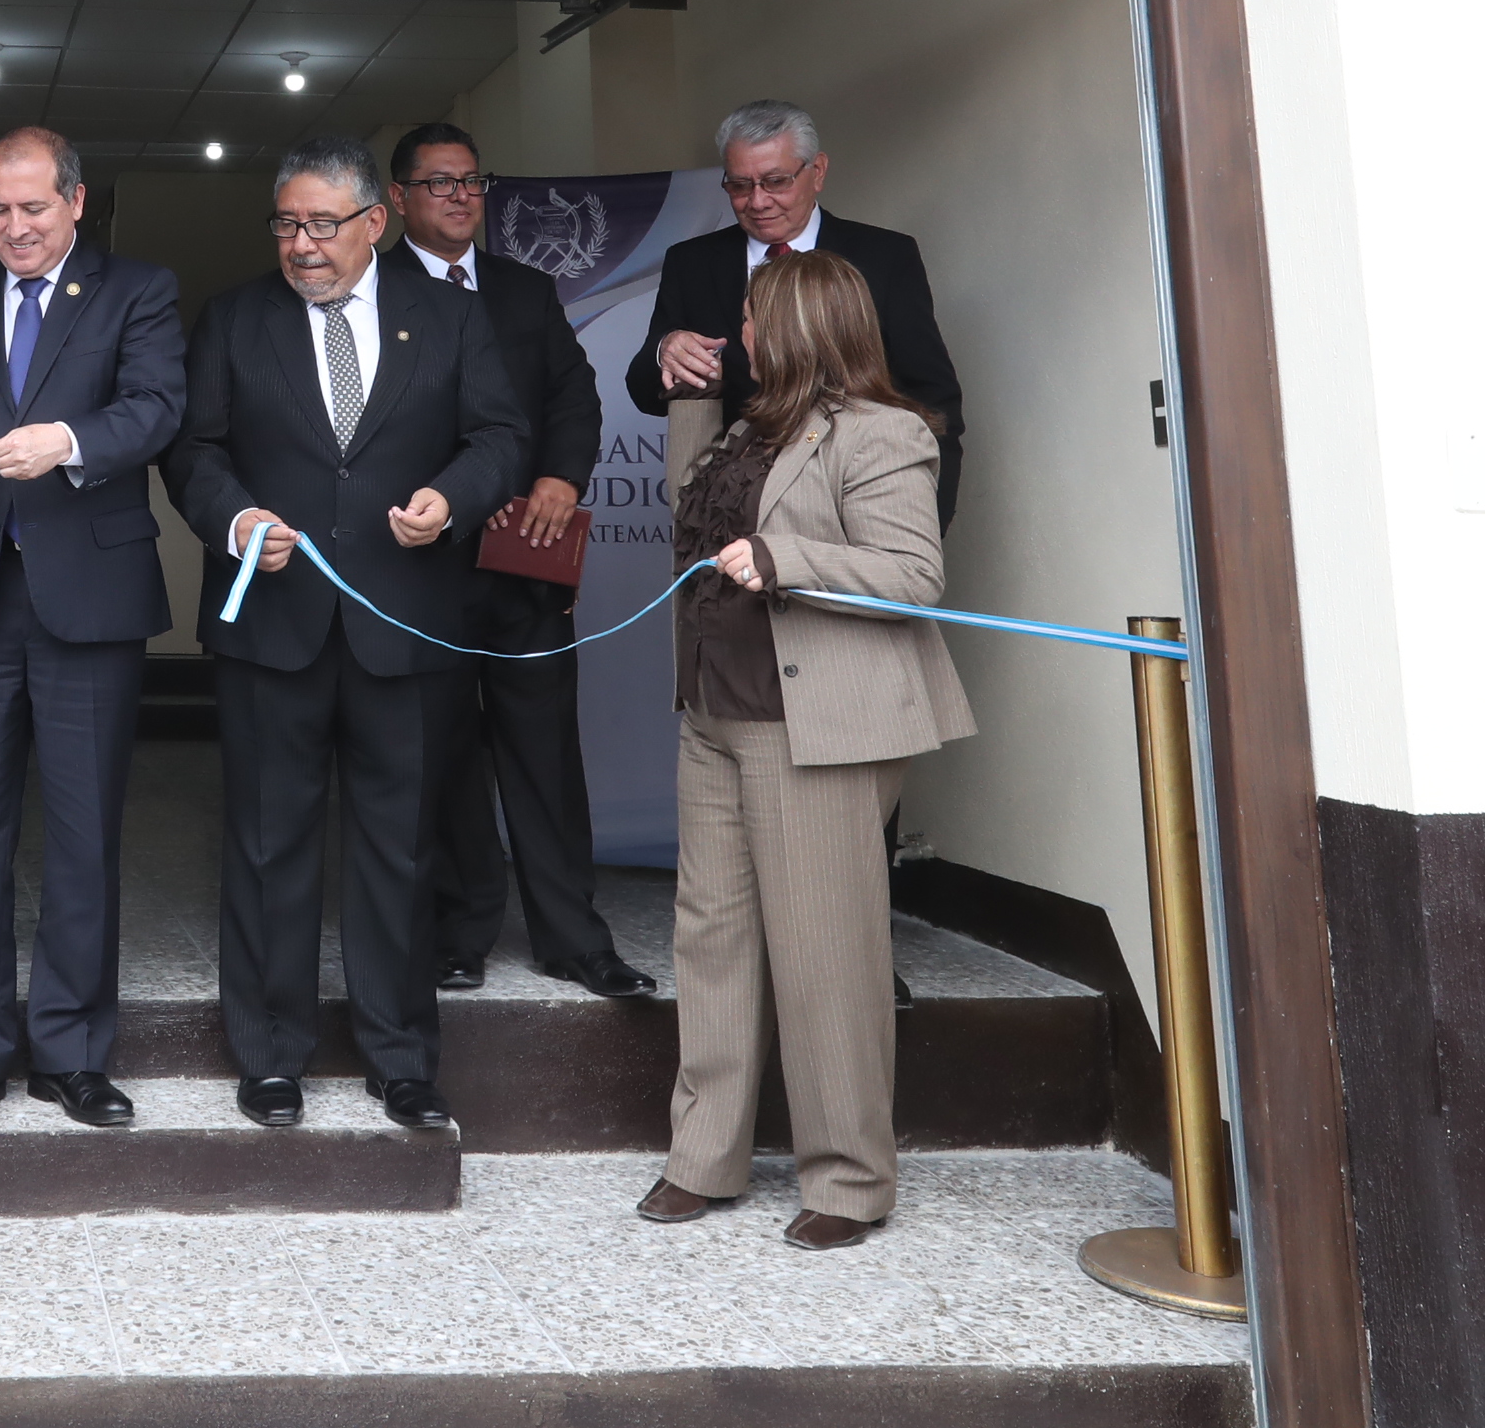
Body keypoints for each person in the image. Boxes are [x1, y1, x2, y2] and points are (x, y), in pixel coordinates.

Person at [163, 134, 525, 1133]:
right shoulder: (235, 319)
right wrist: (235, 519)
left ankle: (401, 1054)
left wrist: (450, 500)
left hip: (403, 625)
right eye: (286, 222)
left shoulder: (450, 318)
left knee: (399, 848)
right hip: (272, 627)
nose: (302, 243)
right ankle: (270, 1054)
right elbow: (194, 448)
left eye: (323, 222)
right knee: (268, 845)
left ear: (376, 222)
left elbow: (500, 436)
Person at [636, 248, 973, 1250]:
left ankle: (850, 1178)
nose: (739, 332)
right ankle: (705, 1156)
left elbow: (914, 570)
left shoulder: (885, 431)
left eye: (751, 318)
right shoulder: (750, 425)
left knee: (828, 955)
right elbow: (690, 523)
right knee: (714, 939)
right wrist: (685, 393)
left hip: (819, 724)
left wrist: (790, 557)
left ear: (794, 326)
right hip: (717, 713)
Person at [0, 126, 186, 1132]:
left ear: (75, 199)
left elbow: (156, 406)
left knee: (83, 833)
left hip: (88, 599)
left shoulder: (137, 287)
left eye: (32, 207)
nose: (13, 227)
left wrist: (65, 439)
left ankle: (70, 1050)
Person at [386, 122, 649, 1003]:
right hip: (425, 567)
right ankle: (459, 936)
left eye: (472, 183)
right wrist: (459, 494)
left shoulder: (525, 290)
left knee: (544, 755)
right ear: (397, 200)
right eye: (439, 184)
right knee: (445, 757)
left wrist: (557, 479)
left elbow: (574, 398)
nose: (461, 198)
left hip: (527, 560)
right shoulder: (367, 293)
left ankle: (572, 939)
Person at [630, 99, 966, 520]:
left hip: (852, 509)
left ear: (817, 171)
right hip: (731, 515)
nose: (758, 201)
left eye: (775, 181)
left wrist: (924, 522)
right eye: (739, 185)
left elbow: (931, 400)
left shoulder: (883, 257)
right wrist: (665, 350)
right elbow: (644, 392)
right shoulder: (692, 262)